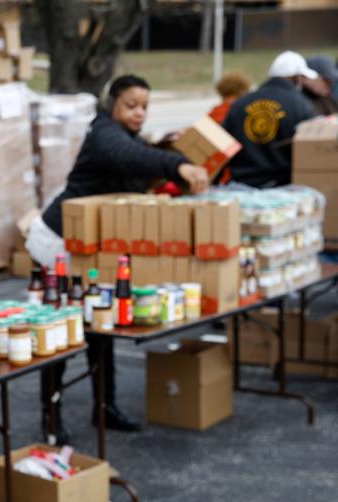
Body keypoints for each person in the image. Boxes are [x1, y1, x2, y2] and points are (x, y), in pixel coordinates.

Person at [25, 74, 210, 444]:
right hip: (59, 242)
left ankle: (104, 406)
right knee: (61, 329)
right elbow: (127, 156)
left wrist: (168, 152)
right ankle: (51, 416)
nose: (139, 113)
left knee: (101, 326)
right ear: (113, 105)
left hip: (92, 247)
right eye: (131, 105)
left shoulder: (128, 137)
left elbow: (139, 159)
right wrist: (176, 167)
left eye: (145, 107)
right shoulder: (104, 133)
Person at [223, 50, 317, 188]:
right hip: (284, 187)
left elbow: (223, 144)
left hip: (241, 187)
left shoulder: (239, 104)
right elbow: (311, 151)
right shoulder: (301, 106)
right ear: (297, 78)